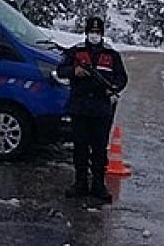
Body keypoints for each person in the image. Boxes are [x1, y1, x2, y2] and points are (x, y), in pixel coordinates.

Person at [57, 16, 128, 203]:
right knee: (80, 148)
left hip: (101, 110)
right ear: (86, 32)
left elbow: (122, 78)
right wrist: (74, 72)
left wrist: (112, 87)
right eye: (92, 31)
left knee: (99, 149)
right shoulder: (76, 52)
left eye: (98, 32)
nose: (94, 35)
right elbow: (60, 70)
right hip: (80, 108)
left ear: (102, 34)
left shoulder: (112, 55)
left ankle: (98, 184)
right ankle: (80, 183)